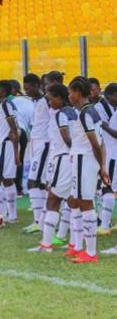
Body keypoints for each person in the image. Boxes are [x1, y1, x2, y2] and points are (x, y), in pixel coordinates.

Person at [66, 76, 109, 264]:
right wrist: (103, 166)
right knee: (75, 201)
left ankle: (91, 252)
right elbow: (102, 143)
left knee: (85, 203)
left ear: (77, 92)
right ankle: (77, 246)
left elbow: (95, 144)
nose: (69, 95)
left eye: (70, 92)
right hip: (82, 160)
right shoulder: (90, 112)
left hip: (85, 160)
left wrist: (102, 167)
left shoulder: (85, 113)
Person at [28, 84, 75, 252]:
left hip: (62, 160)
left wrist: (73, 152)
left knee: (53, 200)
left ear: (60, 98)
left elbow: (67, 139)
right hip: (72, 161)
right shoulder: (74, 112)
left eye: (51, 99)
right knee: (73, 201)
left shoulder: (61, 115)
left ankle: (46, 244)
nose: (49, 102)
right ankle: (73, 244)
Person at [23, 71, 63, 234]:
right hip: (37, 143)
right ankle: (42, 220)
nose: (26, 91)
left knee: (33, 182)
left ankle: (39, 222)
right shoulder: (40, 101)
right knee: (39, 183)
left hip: (45, 145)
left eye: (46, 83)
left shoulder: (49, 100)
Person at [0, 81, 20, 223]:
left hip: (3, 147)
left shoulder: (6, 105)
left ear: (3, 92)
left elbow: (13, 130)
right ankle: (11, 216)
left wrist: (16, 153)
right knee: (6, 180)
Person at [97, 83, 117, 236]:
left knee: (107, 188)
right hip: (112, 153)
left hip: (113, 155)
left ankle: (104, 225)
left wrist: (104, 125)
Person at [9, 79, 34, 196]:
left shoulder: (6, 101)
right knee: (19, 159)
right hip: (22, 132)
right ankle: (18, 188)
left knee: (11, 160)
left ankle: (13, 187)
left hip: (11, 132)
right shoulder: (28, 101)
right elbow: (31, 121)